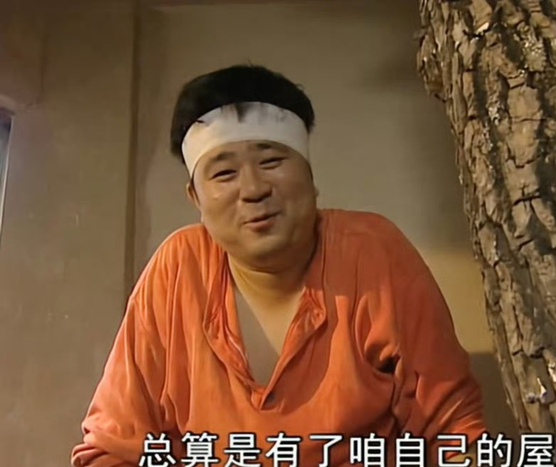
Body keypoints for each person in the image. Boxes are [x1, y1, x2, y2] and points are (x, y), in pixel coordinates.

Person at [71, 64, 487, 467]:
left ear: (309, 173)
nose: (253, 189)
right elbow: (111, 448)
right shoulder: (178, 270)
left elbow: (454, 432)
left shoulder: (371, 253)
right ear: (196, 199)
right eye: (224, 173)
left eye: (271, 162)